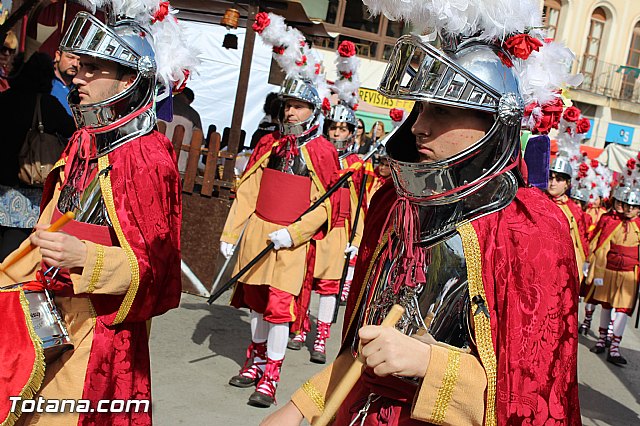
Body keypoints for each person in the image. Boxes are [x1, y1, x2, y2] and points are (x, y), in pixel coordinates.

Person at [262, 1, 581, 424]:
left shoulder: (528, 228)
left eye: (443, 110)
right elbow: (365, 352)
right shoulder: (396, 204)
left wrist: (434, 365)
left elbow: (536, 394)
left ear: (494, 119)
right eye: (421, 108)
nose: (418, 126)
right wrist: (299, 406)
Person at [0, 4, 195, 423]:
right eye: (81, 65)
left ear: (129, 79)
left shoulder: (148, 156)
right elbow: (49, 226)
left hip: (100, 335)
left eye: (96, 68)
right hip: (46, 315)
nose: (79, 76)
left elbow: (159, 274)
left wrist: (86, 258)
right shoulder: (82, 141)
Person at [220, 76, 340, 408]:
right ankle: (255, 361)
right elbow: (248, 190)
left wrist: (295, 233)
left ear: (312, 111)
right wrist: (231, 233)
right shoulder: (268, 144)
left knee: (278, 308)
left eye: (298, 106)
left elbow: (328, 204)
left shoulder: (322, 150)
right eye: (288, 105)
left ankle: (271, 374)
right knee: (257, 303)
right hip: (258, 236)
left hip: (290, 244)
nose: (290, 113)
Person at [289, 97, 366, 364]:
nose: (337, 133)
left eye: (343, 129)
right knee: (304, 281)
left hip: (338, 231)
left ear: (351, 132)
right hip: (313, 227)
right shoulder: (317, 153)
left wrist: (356, 238)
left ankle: (321, 336)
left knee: (329, 287)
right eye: (333, 127)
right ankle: (299, 328)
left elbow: (359, 206)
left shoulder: (355, 163)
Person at [0, 52, 75, 261]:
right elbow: (72, 128)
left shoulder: (4, 100)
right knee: (13, 254)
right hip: (26, 196)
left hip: (1, 182)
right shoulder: (48, 105)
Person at [584, 185, 640, 365]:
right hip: (609, 269)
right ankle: (601, 340)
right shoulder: (612, 221)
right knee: (606, 305)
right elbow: (600, 244)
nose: (630, 209)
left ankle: (615, 347)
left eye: (634, 206)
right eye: (627, 205)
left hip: (629, 273)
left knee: (623, 310)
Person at [547, 158, 589, 281]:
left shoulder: (574, 211)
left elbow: (578, 244)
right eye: (550, 177)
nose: (553, 183)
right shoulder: (536, 200)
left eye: (558, 179)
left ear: (567, 183)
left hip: (560, 268)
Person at [51, 49, 80, 115]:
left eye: (79, 60)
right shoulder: (42, 81)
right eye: (70, 57)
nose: (75, 64)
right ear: (58, 55)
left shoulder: (81, 86)